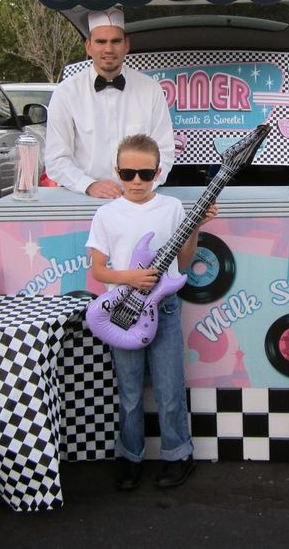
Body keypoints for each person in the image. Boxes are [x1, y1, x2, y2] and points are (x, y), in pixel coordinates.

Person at [87, 134, 217, 490]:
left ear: (159, 172)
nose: (137, 182)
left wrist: (197, 227)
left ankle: (179, 454)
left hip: (166, 307)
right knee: (129, 392)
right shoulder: (106, 213)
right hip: (121, 312)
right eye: (128, 173)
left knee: (169, 387)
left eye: (145, 174)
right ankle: (130, 455)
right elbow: (98, 270)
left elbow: (185, 260)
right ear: (116, 171)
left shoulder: (172, 207)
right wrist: (130, 277)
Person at [45, 7, 175, 198]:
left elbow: (164, 151)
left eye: (115, 41)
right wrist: (88, 185)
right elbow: (56, 159)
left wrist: (140, 185)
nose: (108, 49)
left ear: (126, 45)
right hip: (84, 199)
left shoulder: (151, 89)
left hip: (138, 201)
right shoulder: (65, 92)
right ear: (89, 46)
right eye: (101, 41)